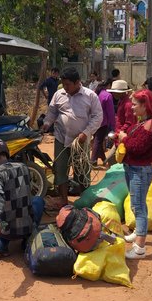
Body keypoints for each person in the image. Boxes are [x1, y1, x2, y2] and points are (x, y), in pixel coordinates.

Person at [40, 67, 103, 208]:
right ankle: (63, 199)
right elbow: (52, 112)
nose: (65, 87)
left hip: (80, 141)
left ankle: (84, 201)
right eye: (64, 84)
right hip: (61, 138)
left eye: (68, 84)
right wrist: (46, 123)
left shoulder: (90, 96)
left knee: (82, 171)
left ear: (77, 83)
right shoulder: (59, 94)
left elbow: (98, 117)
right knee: (60, 169)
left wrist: (86, 133)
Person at [0, 137, 44, 258]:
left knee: (2, 209)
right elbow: (18, 188)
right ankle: (27, 241)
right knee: (38, 200)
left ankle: (1, 246)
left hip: (7, 230)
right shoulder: (23, 167)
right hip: (26, 227)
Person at [118, 89, 152, 259]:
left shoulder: (151, 125)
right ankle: (138, 232)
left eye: (135, 105)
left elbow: (137, 147)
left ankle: (139, 248)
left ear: (145, 106)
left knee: (139, 207)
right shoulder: (142, 122)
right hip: (133, 168)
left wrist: (123, 138)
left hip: (140, 171)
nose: (132, 108)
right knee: (136, 203)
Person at [91, 80, 115, 166]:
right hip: (103, 121)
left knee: (98, 140)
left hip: (93, 120)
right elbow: (110, 112)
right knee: (98, 140)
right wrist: (113, 125)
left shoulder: (95, 93)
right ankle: (93, 160)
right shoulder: (108, 95)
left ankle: (103, 159)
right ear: (108, 85)